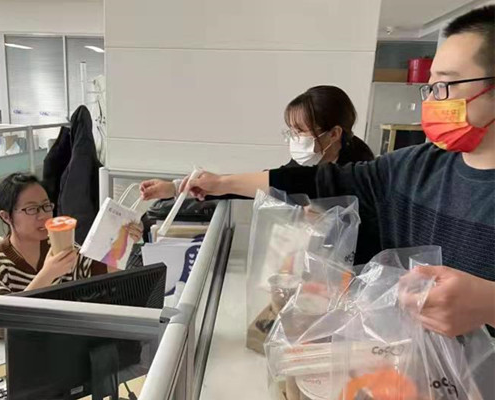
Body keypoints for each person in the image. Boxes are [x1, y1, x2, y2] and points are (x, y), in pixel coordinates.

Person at [183, 6, 495, 337]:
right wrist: (221, 183)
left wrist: (488, 302)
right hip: (400, 359)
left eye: (445, 86)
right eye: (429, 88)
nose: (430, 102)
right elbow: (317, 183)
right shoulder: (413, 168)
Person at [140, 85, 374, 201]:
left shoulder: (358, 171)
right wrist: (175, 188)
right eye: (292, 131)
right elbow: (263, 183)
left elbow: (293, 183)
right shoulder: (310, 159)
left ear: (334, 134)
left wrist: (222, 182)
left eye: (301, 131)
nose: (295, 138)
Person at [0, 173, 142, 295]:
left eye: (46, 206)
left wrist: (124, 240)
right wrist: (48, 274)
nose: (43, 216)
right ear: (6, 216)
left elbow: (104, 280)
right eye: (31, 209)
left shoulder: (63, 248)